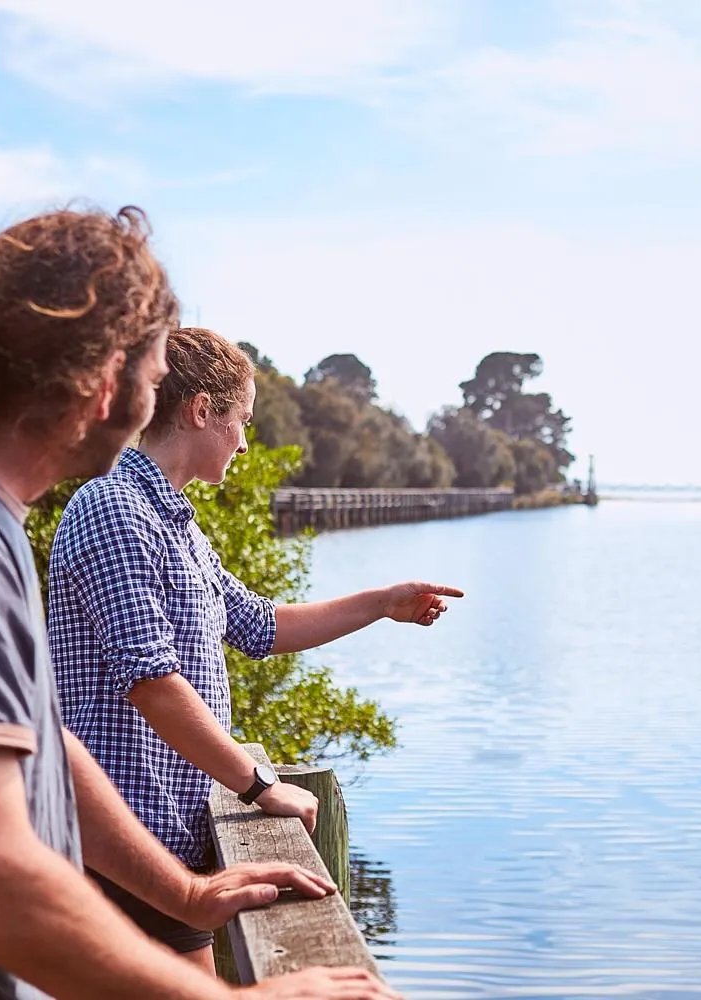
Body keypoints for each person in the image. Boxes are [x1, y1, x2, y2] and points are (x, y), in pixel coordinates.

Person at [0, 208, 400, 1000]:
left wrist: (184, 893)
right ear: (101, 375)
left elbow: (44, 741)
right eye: (155, 377)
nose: (153, 401)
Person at [48, 325, 463, 971]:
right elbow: (149, 680)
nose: (245, 441)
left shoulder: (175, 523)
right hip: (121, 846)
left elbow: (261, 626)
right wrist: (260, 785)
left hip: (167, 838)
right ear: (201, 409)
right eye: (242, 419)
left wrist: (381, 604)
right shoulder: (113, 508)